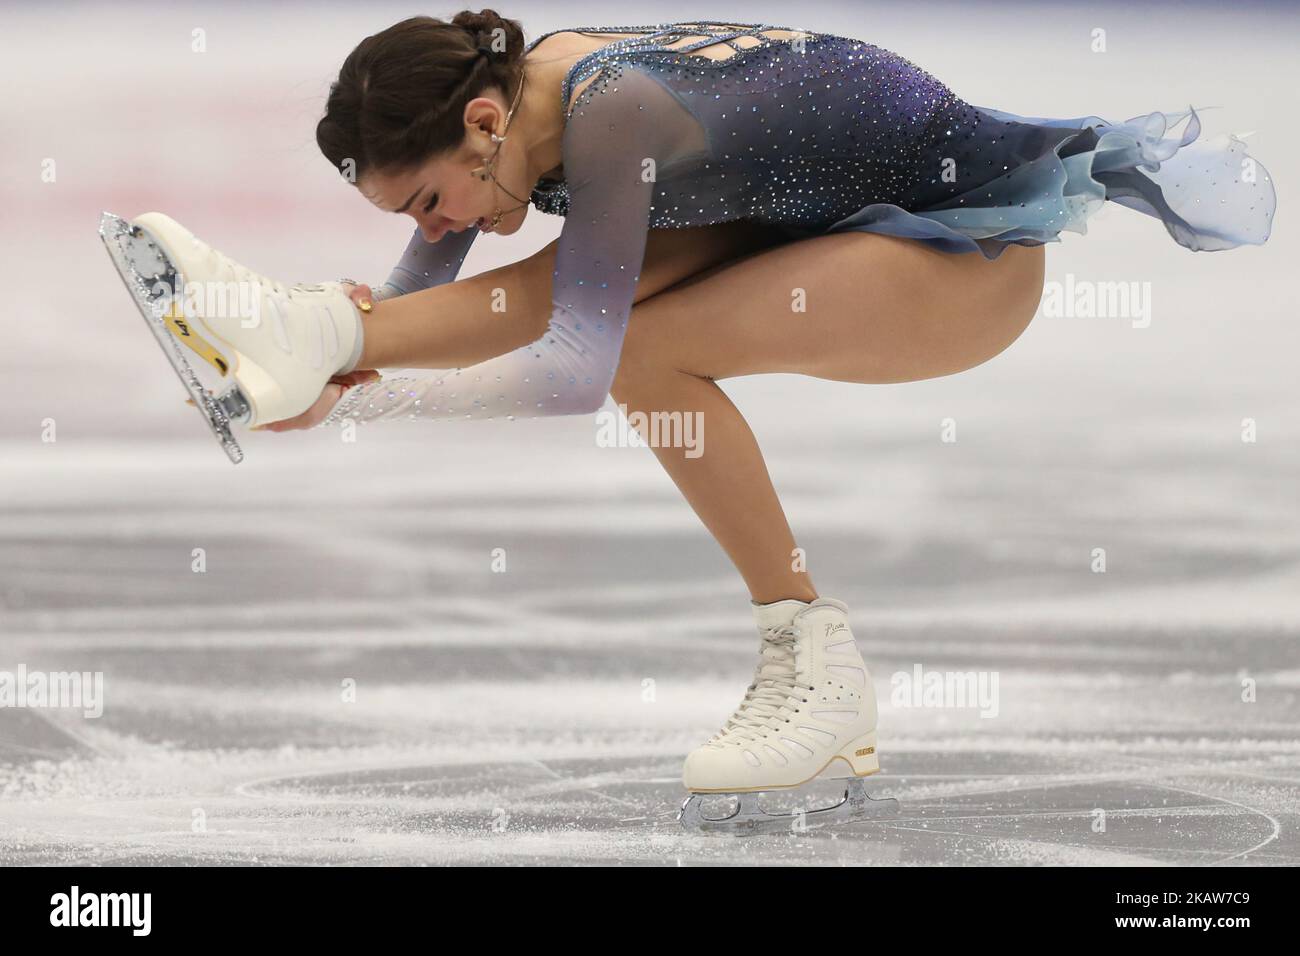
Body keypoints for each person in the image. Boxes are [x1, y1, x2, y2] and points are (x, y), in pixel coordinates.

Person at [112, 12, 1276, 832]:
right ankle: (307, 326)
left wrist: (365, 375)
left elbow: (572, 364)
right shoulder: (522, 99)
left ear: (477, 122)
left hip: (963, 255)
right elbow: (427, 295)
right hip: (809, 223)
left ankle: (814, 664)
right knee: (605, 302)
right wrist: (331, 370)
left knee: (631, 336)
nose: (440, 219)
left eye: (430, 196)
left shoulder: (614, 109)